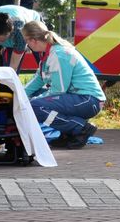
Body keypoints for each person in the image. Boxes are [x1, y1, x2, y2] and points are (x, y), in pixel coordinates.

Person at [21, 20, 104, 149]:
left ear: (33, 40)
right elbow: (38, 80)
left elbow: (59, 90)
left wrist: (30, 101)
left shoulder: (59, 54)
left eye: (26, 41)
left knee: (34, 106)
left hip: (88, 100)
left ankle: (81, 128)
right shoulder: (48, 54)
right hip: (81, 98)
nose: (27, 45)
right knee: (35, 99)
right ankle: (68, 134)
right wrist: (19, 95)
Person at [0, 4, 43, 70]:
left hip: (34, 23)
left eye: (3, 39)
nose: (0, 42)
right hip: (12, 30)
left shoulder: (20, 32)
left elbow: (14, 65)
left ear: (11, 31)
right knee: (6, 67)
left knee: (43, 61)